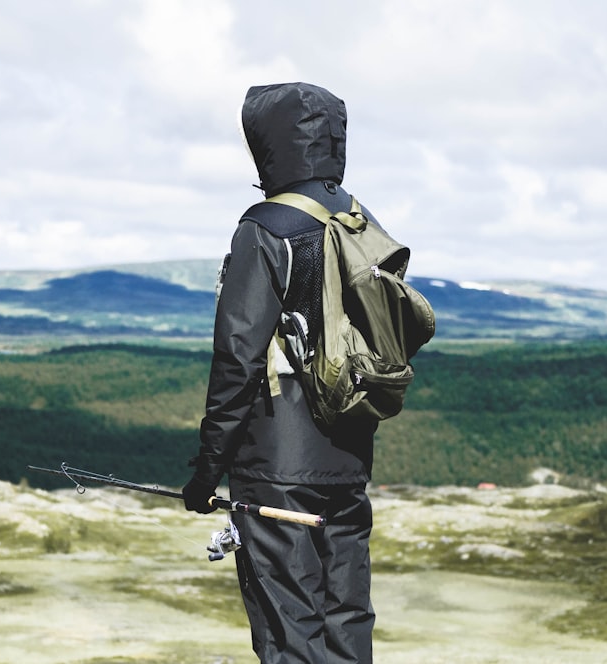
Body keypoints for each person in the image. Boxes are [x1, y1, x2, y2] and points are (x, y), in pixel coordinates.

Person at [182, 82, 379, 663]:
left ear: (268, 144)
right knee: (347, 623)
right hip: (349, 459)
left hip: (275, 468)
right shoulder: (359, 223)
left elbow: (237, 363)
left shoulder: (265, 229)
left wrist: (207, 473)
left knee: (289, 632)